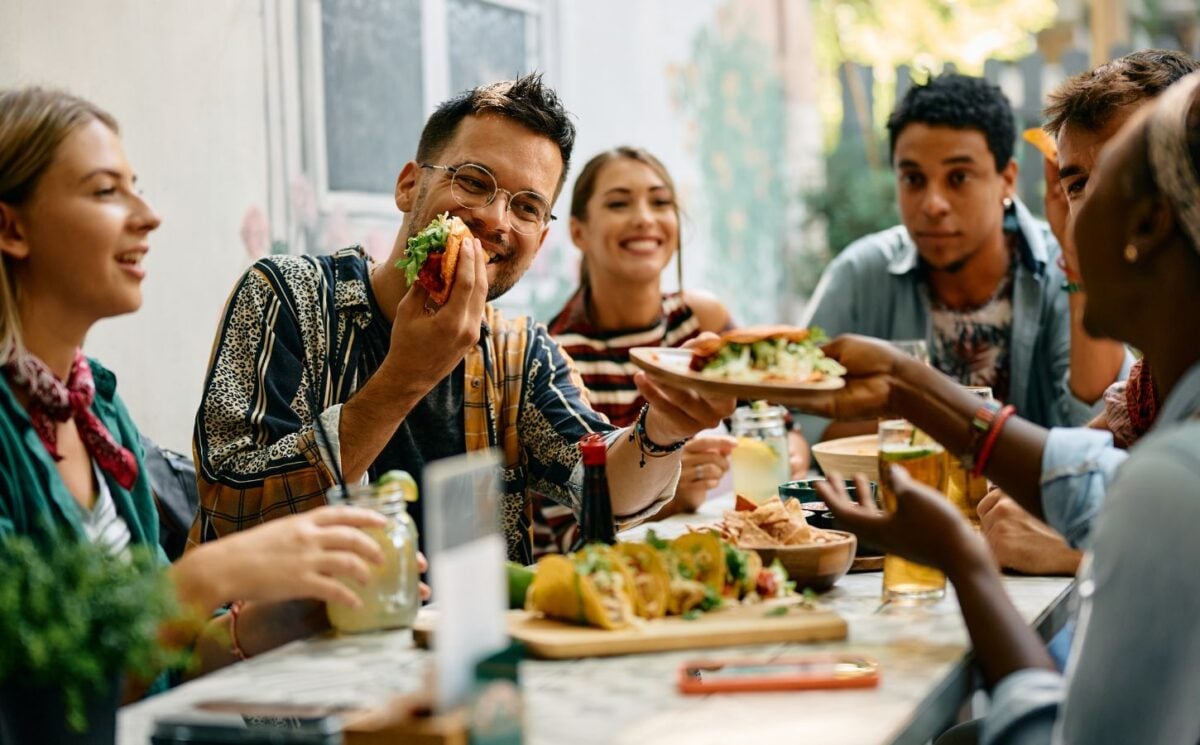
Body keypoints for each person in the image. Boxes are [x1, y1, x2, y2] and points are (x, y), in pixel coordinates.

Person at [797, 70, 1200, 743]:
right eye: (1069, 185)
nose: (1062, 222)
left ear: (1150, 220)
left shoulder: (1173, 481)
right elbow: (1096, 481)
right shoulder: (1162, 398)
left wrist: (963, 559)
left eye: (1093, 187)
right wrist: (908, 385)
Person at [191, 75, 735, 563]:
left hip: (472, 648)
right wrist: (406, 376)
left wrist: (663, 431)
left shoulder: (521, 352)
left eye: (526, 207)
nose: (495, 220)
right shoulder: (287, 295)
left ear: (541, 239)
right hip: (288, 649)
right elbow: (235, 513)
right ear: (409, 185)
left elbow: (603, 489)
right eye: (474, 182)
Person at [0, 86, 423, 686]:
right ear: (10, 228)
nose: (148, 216)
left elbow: (142, 671)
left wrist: (276, 619)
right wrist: (209, 575)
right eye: (104, 191)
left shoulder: (99, 410)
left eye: (135, 186)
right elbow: (34, 689)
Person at [799, 72, 1131, 444]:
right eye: (913, 179)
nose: (933, 204)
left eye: (958, 178)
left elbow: (1098, 426)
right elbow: (801, 417)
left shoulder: (1061, 270)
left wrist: (1077, 262)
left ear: (1007, 178)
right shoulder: (861, 273)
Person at [977, 49, 1199, 578]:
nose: (1087, 216)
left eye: (1126, 170)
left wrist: (1085, 552)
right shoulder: (1154, 382)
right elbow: (1072, 463)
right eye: (1077, 185)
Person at [530, 147, 810, 552]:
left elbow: (781, 428)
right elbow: (566, 538)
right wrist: (669, 490)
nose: (644, 217)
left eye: (660, 202)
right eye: (618, 203)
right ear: (578, 232)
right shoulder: (556, 353)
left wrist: (778, 459)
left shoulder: (703, 321)